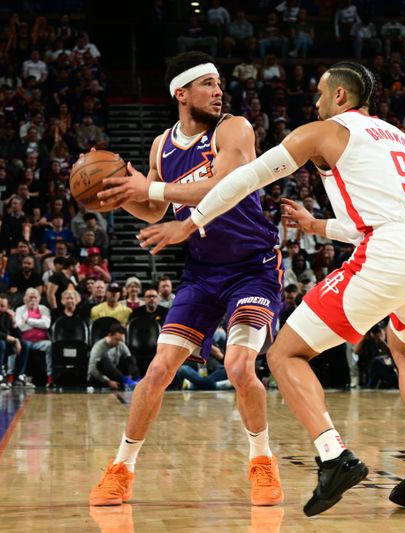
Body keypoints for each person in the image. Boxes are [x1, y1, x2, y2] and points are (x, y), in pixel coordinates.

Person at [137, 61, 405, 516]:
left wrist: (191, 222)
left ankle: (333, 455)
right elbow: (384, 217)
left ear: (341, 98)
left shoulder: (322, 132)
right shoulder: (400, 138)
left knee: (283, 355)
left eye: (322, 94)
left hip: (389, 254)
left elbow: (245, 178)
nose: (316, 103)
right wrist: (315, 225)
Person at [88, 52, 284, 508]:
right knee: (157, 370)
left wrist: (150, 188)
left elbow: (225, 182)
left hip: (252, 266)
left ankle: (262, 461)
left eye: (219, 84)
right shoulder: (161, 146)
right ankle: (121, 469)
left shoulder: (233, 129)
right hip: (201, 272)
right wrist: (118, 193)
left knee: (237, 365)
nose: (218, 91)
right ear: (182, 93)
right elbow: (154, 209)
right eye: (207, 84)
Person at [87, 324, 139, 390]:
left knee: (130, 359)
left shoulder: (120, 344)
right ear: (109, 335)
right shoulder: (98, 347)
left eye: (121, 340)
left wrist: (132, 374)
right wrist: (108, 381)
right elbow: (92, 370)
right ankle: (125, 380)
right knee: (104, 359)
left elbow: (130, 360)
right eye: (117, 339)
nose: (119, 342)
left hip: (114, 375)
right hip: (99, 378)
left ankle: (137, 381)